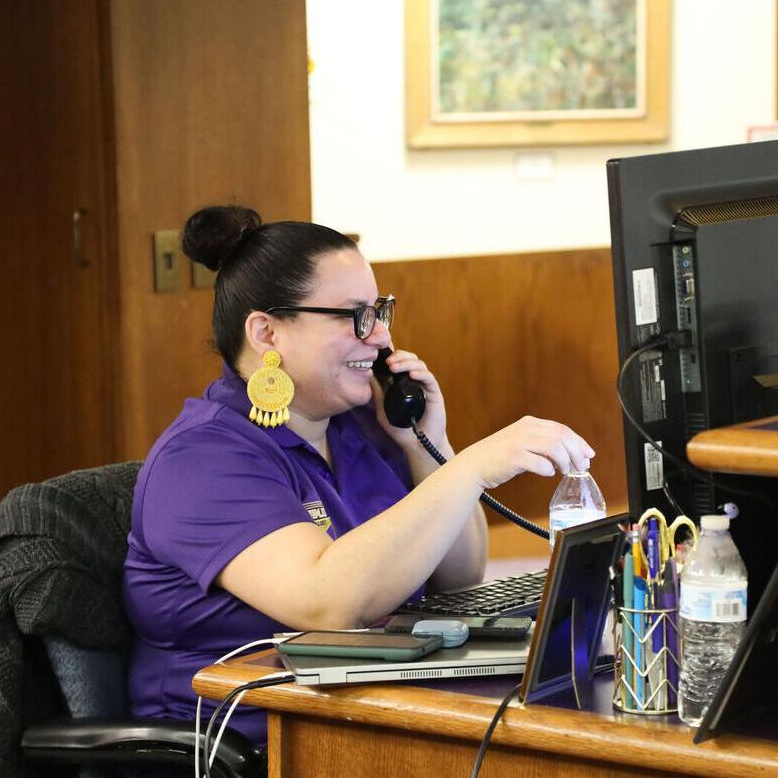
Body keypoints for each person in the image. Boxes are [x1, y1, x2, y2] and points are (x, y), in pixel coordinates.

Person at [123, 205, 595, 742]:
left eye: (379, 312)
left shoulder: (359, 425)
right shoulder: (202, 459)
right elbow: (326, 603)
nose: (379, 339)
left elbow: (459, 574)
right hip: (255, 747)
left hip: (373, 717)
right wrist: (468, 471)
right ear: (267, 333)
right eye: (354, 316)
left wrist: (428, 445)